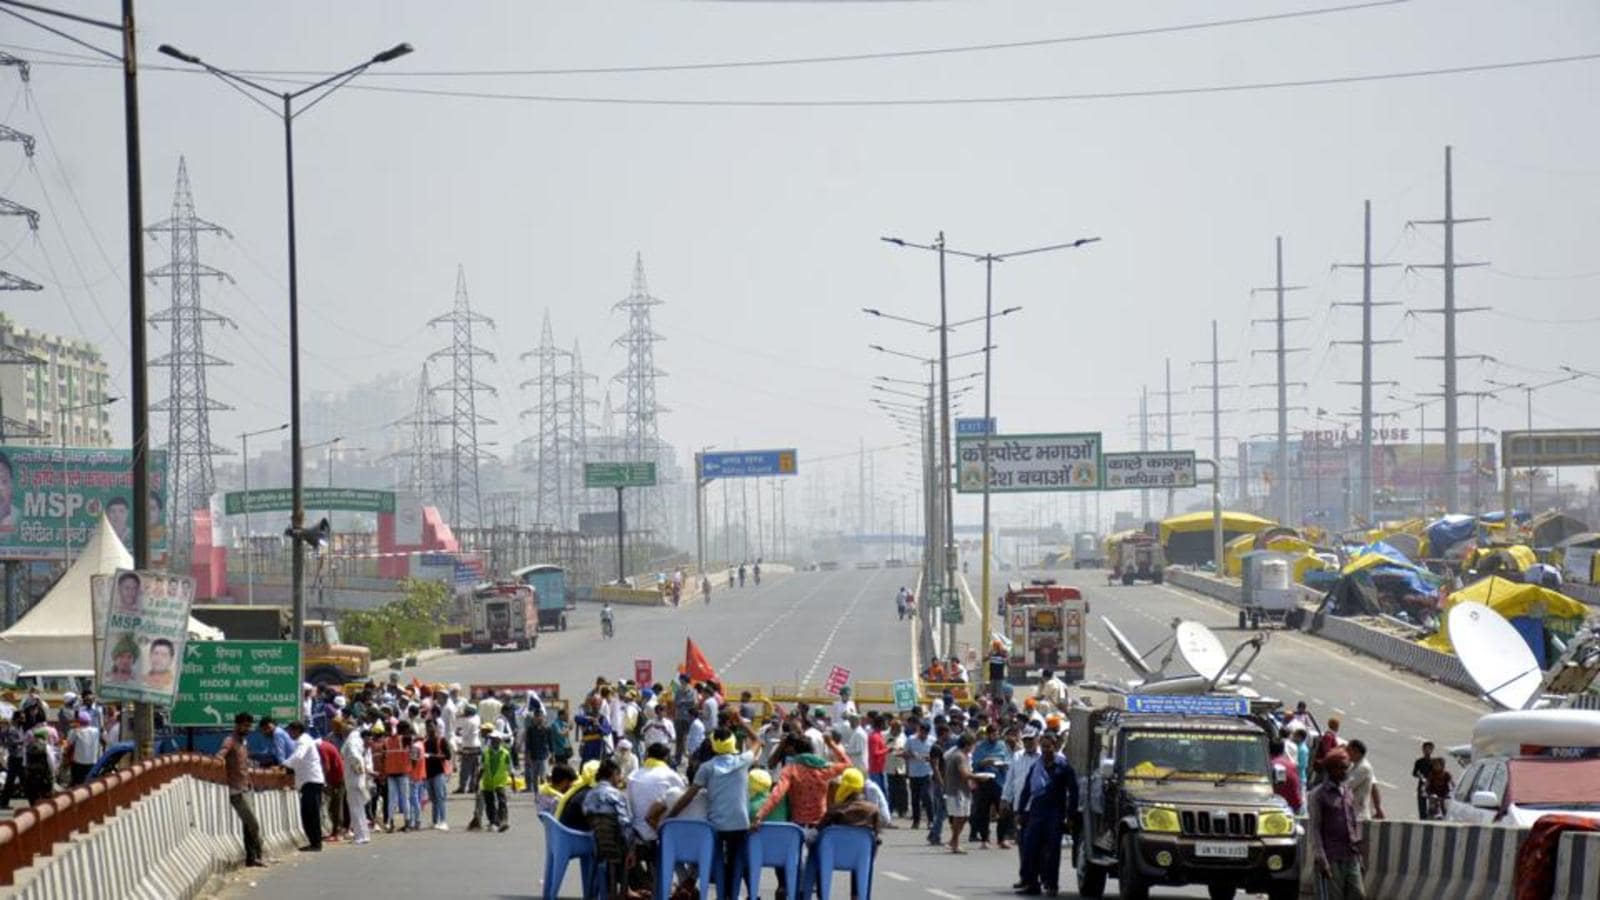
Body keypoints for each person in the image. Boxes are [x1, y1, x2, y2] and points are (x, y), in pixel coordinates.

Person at [667, 719, 759, 898]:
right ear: (733, 743)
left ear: (714, 746)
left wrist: (671, 817)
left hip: (716, 827)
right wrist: (739, 720)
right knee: (735, 864)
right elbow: (756, 740)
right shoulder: (743, 760)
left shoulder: (706, 768)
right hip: (740, 824)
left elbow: (689, 796)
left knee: (712, 862)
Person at [1014, 731, 1078, 896]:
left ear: (1054, 747)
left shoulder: (1063, 767)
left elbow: (1073, 791)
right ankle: (1031, 884)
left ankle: (1051, 885)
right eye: (1043, 747)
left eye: (1048, 746)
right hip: (1036, 813)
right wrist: (1020, 811)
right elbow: (1027, 790)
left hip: (1055, 814)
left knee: (1052, 852)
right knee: (1030, 849)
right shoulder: (1036, 766)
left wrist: (1070, 815)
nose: (1045, 750)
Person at [1307, 749, 1365, 900]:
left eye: (1347, 767)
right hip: (1331, 857)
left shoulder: (1347, 791)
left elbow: (1352, 822)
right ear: (1331, 770)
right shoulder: (1318, 794)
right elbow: (1315, 829)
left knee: (1358, 894)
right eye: (1342, 767)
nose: (1346, 771)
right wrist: (1322, 859)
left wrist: (1359, 855)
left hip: (1351, 854)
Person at [218, 712, 266, 867]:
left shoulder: (243, 742)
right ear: (237, 725)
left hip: (247, 787)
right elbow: (220, 756)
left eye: (249, 726)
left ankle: (252, 858)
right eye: (245, 725)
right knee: (253, 824)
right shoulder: (230, 741)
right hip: (237, 790)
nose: (248, 728)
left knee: (248, 825)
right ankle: (257, 855)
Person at [583, 758, 633, 898]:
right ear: (613, 774)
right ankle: (628, 890)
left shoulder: (589, 795)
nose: (620, 779)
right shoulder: (616, 795)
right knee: (642, 849)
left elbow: (586, 815)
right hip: (616, 846)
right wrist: (632, 847)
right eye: (619, 775)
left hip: (597, 845)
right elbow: (625, 824)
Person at [283, 722, 326, 852]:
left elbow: (298, 756)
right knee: (308, 813)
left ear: (296, 730)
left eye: (290, 731)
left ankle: (316, 843)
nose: (289, 734)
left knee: (311, 814)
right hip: (309, 781)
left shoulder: (303, 741)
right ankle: (314, 842)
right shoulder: (304, 740)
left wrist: (284, 764)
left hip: (311, 781)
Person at [942, 733, 978, 854]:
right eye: (973, 745)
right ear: (968, 745)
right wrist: (979, 777)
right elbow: (964, 774)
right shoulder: (959, 756)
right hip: (957, 791)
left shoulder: (963, 755)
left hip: (963, 790)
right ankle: (955, 843)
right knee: (959, 817)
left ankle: (953, 840)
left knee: (965, 816)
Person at [340, 718, 371, 845]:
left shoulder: (352, 741)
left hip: (354, 779)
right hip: (356, 779)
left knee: (355, 808)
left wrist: (358, 772)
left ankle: (360, 836)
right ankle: (363, 835)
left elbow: (354, 757)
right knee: (359, 809)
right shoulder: (356, 740)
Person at [479, 725, 513, 832]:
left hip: (500, 782)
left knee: (502, 801)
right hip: (488, 781)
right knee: (490, 803)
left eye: (496, 740)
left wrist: (514, 783)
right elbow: (482, 768)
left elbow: (510, 768)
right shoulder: (485, 753)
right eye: (492, 740)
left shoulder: (505, 753)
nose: (494, 742)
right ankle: (493, 821)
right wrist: (476, 782)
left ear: (500, 741)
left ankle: (503, 821)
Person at [316, 727, 346, 842]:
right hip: (336, 778)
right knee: (334, 806)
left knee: (336, 806)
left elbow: (326, 767)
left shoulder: (322, 749)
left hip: (337, 780)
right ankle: (336, 831)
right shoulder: (325, 746)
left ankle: (337, 832)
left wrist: (324, 782)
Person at [903, 720, 935, 829]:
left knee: (927, 797)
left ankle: (930, 820)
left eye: (925, 733)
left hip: (927, 772)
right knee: (915, 798)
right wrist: (910, 754)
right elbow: (904, 753)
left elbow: (936, 756)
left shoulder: (932, 741)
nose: (923, 735)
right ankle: (916, 821)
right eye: (921, 732)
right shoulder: (911, 740)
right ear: (919, 730)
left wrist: (929, 758)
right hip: (914, 773)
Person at [1346, 739, 1385, 821]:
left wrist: (1378, 808)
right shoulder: (1353, 766)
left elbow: (1347, 785)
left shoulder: (1363, 768)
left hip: (1358, 814)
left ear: (1356, 752)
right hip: (1352, 812)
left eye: (1348, 750)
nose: (1346, 753)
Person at [423, 720, 452, 830]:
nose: (429, 729)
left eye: (431, 726)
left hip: (439, 772)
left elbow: (448, 756)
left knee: (440, 797)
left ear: (436, 727)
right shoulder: (425, 742)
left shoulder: (442, 740)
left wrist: (432, 756)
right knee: (433, 799)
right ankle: (435, 821)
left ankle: (443, 821)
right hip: (429, 773)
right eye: (428, 727)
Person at [64, 710, 101, 786]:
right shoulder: (96, 731)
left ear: (78, 721)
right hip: (92, 762)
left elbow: (68, 743)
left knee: (77, 783)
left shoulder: (76, 731)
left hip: (79, 763)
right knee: (89, 783)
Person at [1270, 736, 1303, 814]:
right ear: (1283, 750)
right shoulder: (1292, 765)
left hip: (1275, 807)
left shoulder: (1267, 766)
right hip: (1294, 806)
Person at [1411, 741, 1436, 820]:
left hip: (1432, 787)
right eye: (1425, 749)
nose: (1427, 751)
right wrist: (1420, 776)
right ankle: (1423, 821)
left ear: (1432, 750)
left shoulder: (1434, 762)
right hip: (1422, 786)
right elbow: (1414, 773)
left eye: (1429, 749)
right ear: (1423, 750)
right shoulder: (1419, 761)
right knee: (1422, 808)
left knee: (1432, 808)